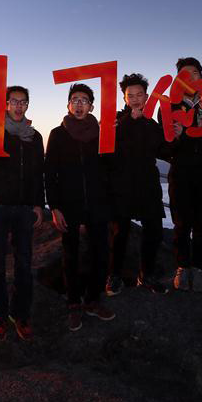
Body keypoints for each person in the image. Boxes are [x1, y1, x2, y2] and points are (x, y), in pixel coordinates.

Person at [45, 83, 115, 332]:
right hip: (69, 203)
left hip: (98, 203)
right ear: (68, 105)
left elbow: (111, 167)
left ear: (92, 106)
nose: (78, 104)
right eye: (74, 99)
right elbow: (50, 173)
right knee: (70, 254)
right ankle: (74, 303)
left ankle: (93, 300)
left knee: (100, 253)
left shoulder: (102, 133)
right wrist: (54, 207)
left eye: (84, 100)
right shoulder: (58, 134)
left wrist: (113, 137)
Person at [0, 85, 45, 342]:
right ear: (5, 105)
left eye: (23, 102)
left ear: (27, 106)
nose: (18, 106)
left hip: (24, 206)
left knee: (24, 262)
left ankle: (21, 313)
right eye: (14, 101)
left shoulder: (35, 136)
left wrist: (39, 204)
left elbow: (38, 172)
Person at [104, 73, 172, 296]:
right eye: (130, 95)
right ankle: (114, 276)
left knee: (153, 231)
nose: (135, 99)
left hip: (147, 183)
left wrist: (176, 136)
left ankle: (147, 275)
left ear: (147, 96)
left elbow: (165, 152)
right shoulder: (114, 120)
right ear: (123, 98)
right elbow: (105, 149)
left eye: (139, 94)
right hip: (120, 184)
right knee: (119, 233)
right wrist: (128, 120)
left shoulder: (151, 123)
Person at [161, 57, 202, 292]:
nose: (190, 78)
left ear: (201, 77)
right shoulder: (168, 106)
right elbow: (164, 149)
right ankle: (182, 268)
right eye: (185, 74)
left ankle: (199, 269)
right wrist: (177, 136)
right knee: (182, 223)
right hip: (181, 172)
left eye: (195, 73)